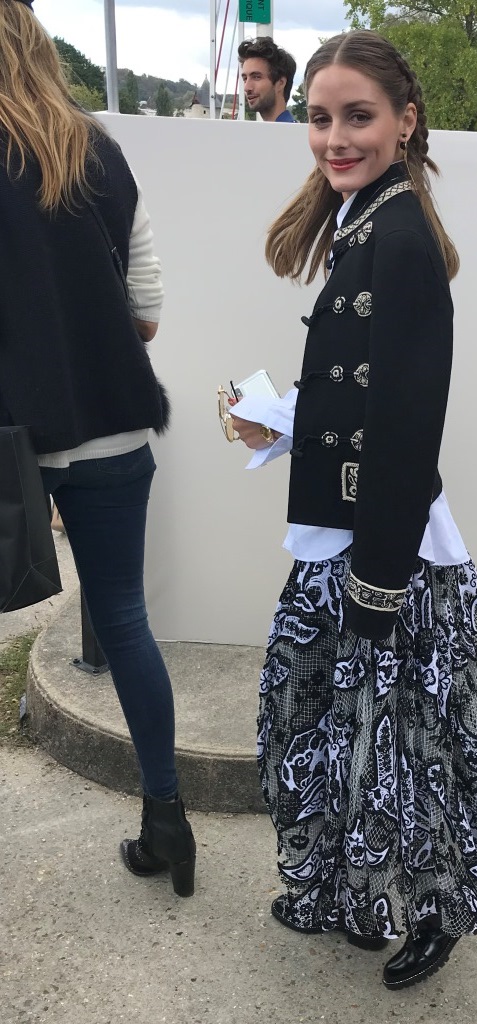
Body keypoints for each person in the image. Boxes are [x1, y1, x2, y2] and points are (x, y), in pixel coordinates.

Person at [230, 29, 477, 989]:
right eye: (320, 117)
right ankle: (348, 893)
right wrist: (279, 421)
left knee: (409, 744)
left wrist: (376, 588)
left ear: (405, 121)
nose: (334, 137)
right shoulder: (366, 218)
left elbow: (406, 430)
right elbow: (355, 392)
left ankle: (438, 909)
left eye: (357, 116)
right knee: (336, 729)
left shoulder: (397, 240)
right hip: (347, 533)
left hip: (383, 550)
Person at [0, 0, 195, 897]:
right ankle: (167, 819)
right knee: (124, 620)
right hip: (112, 425)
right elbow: (145, 313)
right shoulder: (101, 154)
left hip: (10, 438)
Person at [238, 35, 297, 123]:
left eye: (256, 77)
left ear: (280, 83)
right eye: (245, 79)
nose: (246, 88)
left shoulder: (293, 131)